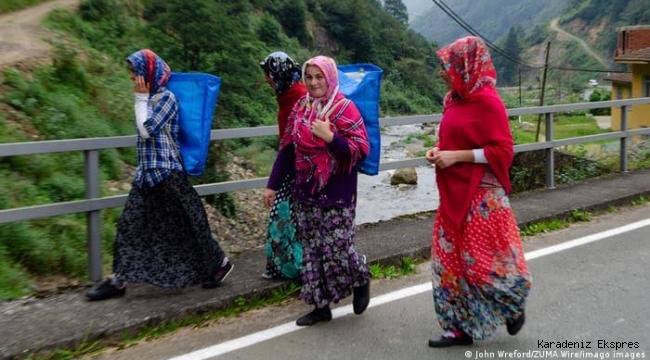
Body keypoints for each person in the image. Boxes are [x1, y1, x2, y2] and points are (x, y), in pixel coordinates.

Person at [86, 49, 233, 301]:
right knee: (129, 226)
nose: (133, 77)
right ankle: (118, 279)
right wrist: (141, 99)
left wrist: (139, 99)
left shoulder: (166, 99)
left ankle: (221, 262)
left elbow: (147, 130)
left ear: (149, 72)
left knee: (189, 222)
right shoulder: (149, 97)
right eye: (132, 73)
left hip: (168, 174)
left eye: (136, 72)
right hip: (146, 176)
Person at [425, 36, 532, 346]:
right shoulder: (452, 100)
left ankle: (511, 306)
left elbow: (503, 151)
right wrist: (437, 151)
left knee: (482, 265)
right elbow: (452, 140)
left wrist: (456, 156)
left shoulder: (488, 101)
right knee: (449, 263)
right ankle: (458, 327)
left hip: (481, 198)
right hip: (452, 193)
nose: (442, 72)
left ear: (465, 66)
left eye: (447, 66)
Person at [263, 55, 371, 326]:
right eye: (309, 77)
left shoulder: (345, 109)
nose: (313, 83)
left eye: (319, 76)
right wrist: (272, 184)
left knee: (338, 249)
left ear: (330, 77)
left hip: (337, 192)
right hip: (306, 191)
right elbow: (288, 148)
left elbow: (360, 150)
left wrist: (331, 137)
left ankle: (360, 277)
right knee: (311, 252)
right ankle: (319, 306)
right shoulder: (300, 107)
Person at [259, 52, 307, 280]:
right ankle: (289, 267)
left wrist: (272, 184)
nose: (267, 79)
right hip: (293, 169)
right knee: (287, 217)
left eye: (269, 74)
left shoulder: (297, 99)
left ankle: (296, 268)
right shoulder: (288, 95)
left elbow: (288, 147)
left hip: (299, 171)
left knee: (284, 216)